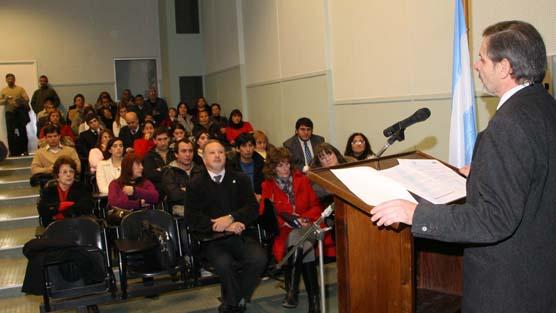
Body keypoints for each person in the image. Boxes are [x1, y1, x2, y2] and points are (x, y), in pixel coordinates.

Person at [370, 21, 556, 313]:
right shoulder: (544, 107)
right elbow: (538, 177)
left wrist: (415, 213)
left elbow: (495, 219)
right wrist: (483, 170)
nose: (475, 65)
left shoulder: (509, 123)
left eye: (482, 58)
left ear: (504, 67)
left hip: (507, 290)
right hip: (540, 277)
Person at [185, 140, 267, 313]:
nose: (217, 156)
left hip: (239, 234)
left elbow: (252, 208)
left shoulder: (240, 178)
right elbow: (191, 217)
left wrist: (232, 218)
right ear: (203, 157)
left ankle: (232, 301)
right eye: (212, 153)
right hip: (212, 239)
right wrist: (217, 225)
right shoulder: (195, 183)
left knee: (259, 258)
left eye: (220, 152)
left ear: (226, 156)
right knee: (224, 264)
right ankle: (235, 303)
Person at [259, 147, 334, 313]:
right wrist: (284, 222)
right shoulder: (268, 186)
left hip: (311, 226)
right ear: (272, 168)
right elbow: (265, 214)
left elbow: (316, 205)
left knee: (298, 238)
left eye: (287, 164)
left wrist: (304, 218)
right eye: (280, 165)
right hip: (286, 230)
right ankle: (314, 302)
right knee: (303, 246)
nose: (285, 169)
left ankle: (292, 290)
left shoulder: (302, 180)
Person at [37, 156, 93, 226]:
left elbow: (85, 207)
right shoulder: (49, 191)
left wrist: (62, 214)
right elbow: (43, 209)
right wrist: (60, 206)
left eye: (71, 171)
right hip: (55, 228)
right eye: (65, 172)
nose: (69, 175)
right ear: (57, 175)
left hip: (77, 226)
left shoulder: (82, 188)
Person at [162, 138, 203, 216]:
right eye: (184, 151)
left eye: (190, 151)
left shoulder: (200, 170)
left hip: (202, 209)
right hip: (181, 212)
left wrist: (186, 190)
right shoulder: (169, 172)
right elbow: (175, 196)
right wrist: (197, 193)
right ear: (176, 154)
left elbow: (209, 192)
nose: (188, 154)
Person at [227, 133, 265, 201]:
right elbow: (230, 190)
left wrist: (262, 196)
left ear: (254, 147)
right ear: (237, 149)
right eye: (244, 146)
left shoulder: (261, 163)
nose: (248, 149)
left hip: (260, 200)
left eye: (250, 145)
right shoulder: (231, 166)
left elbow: (267, 186)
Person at [0, 73, 30, 156]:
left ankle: (25, 150)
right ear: (6, 80)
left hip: (19, 113)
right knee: (10, 133)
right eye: (8, 79)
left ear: (14, 79)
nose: (10, 80)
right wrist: (5, 100)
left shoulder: (20, 89)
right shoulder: (4, 90)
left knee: (22, 131)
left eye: (12, 78)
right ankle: (12, 152)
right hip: (9, 113)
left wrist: (19, 101)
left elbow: (27, 99)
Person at [143, 127, 175, 195]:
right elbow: (150, 175)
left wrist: (160, 169)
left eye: (165, 139)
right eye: (159, 139)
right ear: (154, 140)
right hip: (159, 191)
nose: (163, 143)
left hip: (175, 188)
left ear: (169, 139)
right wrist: (169, 170)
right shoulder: (149, 156)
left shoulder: (175, 153)